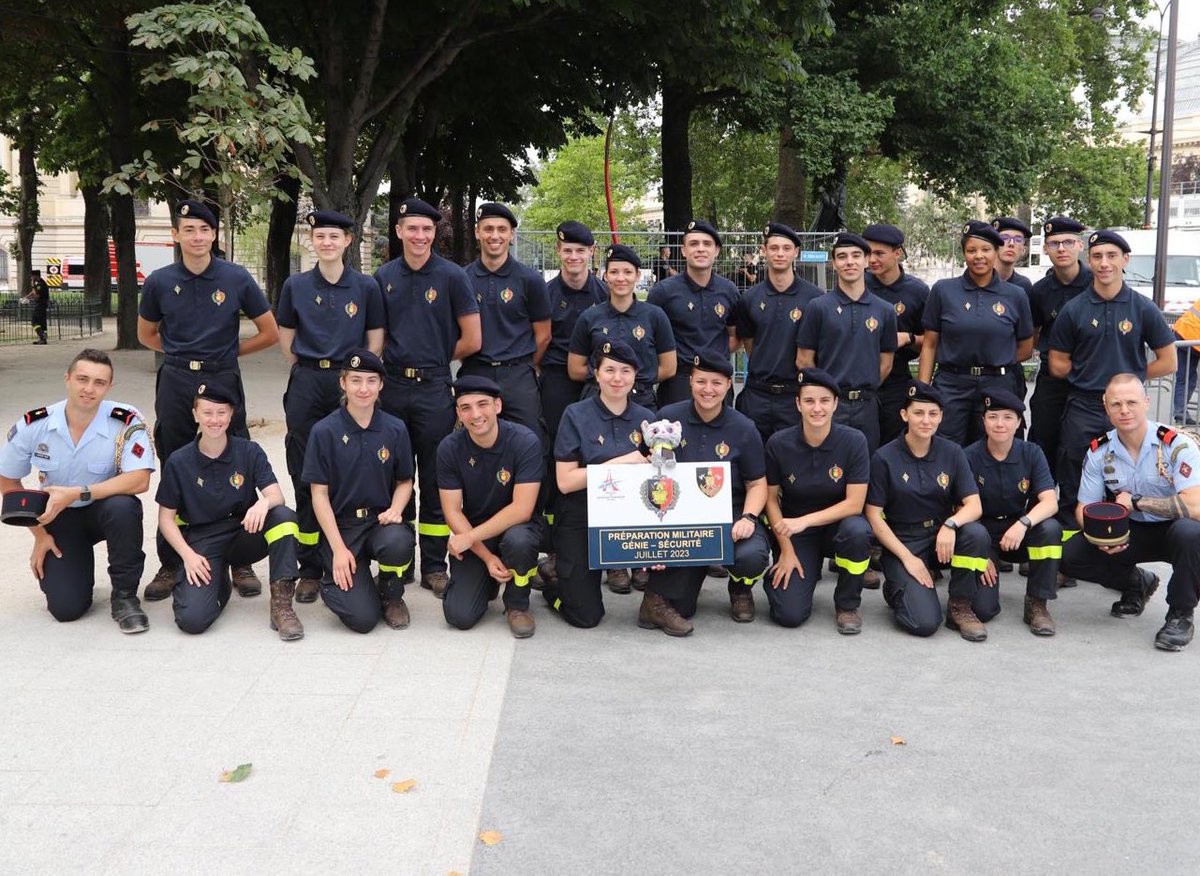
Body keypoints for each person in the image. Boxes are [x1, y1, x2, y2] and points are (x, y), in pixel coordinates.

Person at [138, 199, 279, 601]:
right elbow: (147, 334)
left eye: (204, 229)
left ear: (214, 234)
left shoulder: (235, 278)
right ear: (175, 234)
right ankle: (171, 560)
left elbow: (268, 332)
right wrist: (183, 352)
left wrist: (227, 354)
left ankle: (241, 560)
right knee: (176, 463)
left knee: (236, 458)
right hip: (177, 380)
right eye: (189, 229)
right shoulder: (160, 281)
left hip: (223, 377)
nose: (197, 237)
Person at [0, 349, 154, 632]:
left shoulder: (126, 420)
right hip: (58, 515)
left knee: (124, 507)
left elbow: (139, 479)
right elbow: (7, 479)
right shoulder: (36, 423)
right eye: (82, 379)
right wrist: (38, 533)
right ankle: (75, 575)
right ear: (67, 379)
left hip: (103, 508)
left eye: (99, 382)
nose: (89, 389)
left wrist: (78, 493)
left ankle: (125, 597)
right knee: (66, 609)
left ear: (109, 387)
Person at [276, 209, 385, 605]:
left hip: (348, 381)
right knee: (307, 473)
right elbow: (286, 339)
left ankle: (355, 554)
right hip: (308, 382)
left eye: (334, 236)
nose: (326, 242)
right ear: (311, 241)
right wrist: (311, 368)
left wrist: (356, 381)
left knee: (352, 467)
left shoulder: (366, 287)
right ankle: (309, 567)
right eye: (319, 236)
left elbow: (375, 339)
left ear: (347, 241)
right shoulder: (296, 285)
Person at [374, 196, 481, 598]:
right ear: (399, 231)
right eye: (412, 228)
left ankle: (434, 566)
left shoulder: (453, 276)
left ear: (435, 233)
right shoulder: (383, 276)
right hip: (393, 387)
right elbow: (376, 338)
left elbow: (473, 338)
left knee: (436, 480)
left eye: (427, 229)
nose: (420, 236)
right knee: (394, 478)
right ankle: (397, 561)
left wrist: (434, 358)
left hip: (436, 387)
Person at [1061, 373, 1200, 651]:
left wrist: (1137, 502)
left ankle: (1180, 614)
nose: (1124, 410)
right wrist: (1101, 536)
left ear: (1146, 402)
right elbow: (1083, 509)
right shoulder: (1099, 451)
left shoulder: (1176, 446)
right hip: (1128, 530)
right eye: (1116, 404)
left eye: (1131, 402)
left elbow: (1195, 506)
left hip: (1174, 529)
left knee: (1191, 532)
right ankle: (1136, 583)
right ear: (1106, 406)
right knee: (1070, 555)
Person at [155, 377, 302, 637]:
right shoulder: (179, 461)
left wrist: (263, 503)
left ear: (232, 414)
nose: (215, 419)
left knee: (283, 518)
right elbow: (165, 519)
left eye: (222, 412)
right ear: (195, 414)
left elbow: (277, 496)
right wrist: (188, 556)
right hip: (202, 542)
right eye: (207, 412)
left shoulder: (249, 451)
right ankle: (218, 580)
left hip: (242, 533)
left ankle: (281, 606)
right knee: (192, 620)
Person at [567, 243, 676, 594]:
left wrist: (632, 384)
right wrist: (608, 383)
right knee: (607, 479)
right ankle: (613, 561)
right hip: (597, 404)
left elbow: (669, 366)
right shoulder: (590, 317)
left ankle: (640, 556)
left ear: (638, 276)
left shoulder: (654, 315)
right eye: (614, 271)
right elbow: (574, 366)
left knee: (644, 479)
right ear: (605, 275)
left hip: (641, 405)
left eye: (628, 271)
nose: (621, 277)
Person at [1047, 230, 1176, 521]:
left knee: (1127, 479)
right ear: (1089, 261)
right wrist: (1090, 375)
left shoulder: (1142, 307)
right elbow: (1057, 364)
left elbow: (1168, 361)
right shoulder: (1074, 309)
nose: (1104, 263)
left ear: (1125, 259)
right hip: (1084, 406)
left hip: (1126, 409)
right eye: (1097, 257)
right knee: (1073, 476)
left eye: (1111, 256)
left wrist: (1127, 385)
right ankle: (1072, 552)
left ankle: (1120, 553)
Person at [640, 354, 771, 634]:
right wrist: (652, 537)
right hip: (678, 515)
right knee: (683, 607)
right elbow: (646, 475)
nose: (707, 389)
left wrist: (748, 517)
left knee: (752, 555)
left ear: (727, 385)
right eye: (700, 381)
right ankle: (657, 598)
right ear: (690, 382)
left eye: (716, 383)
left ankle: (740, 589)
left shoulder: (744, 428)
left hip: (729, 513)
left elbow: (757, 484)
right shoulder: (668, 418)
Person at [865, 381, 993, 641]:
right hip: (904, 541)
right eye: (918, 413)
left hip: (941, 538)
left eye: (933, 414)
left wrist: (950, 525)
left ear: (941, 417)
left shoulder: (952, 452)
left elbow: (974, 505)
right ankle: (897, 588)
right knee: (925, 623)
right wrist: (907, 559)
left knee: (986, 604)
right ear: (904, 415)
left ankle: (960, 606)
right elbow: (873, 514)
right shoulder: (884, 457)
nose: (926, 420)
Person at [302, 349, 417, 633]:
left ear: (381, 385)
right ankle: (335, 584)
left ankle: (392, 594)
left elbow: (405, 481)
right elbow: (319, 494)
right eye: (355, 380)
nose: (363, 388)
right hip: (342, 527)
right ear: (343, 383)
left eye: (370, 381)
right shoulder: (324, 431)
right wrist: (339, 549)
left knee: (399, 541)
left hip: (379, 521)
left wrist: (396, 509)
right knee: (363, 620)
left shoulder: (395, 428)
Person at [545, 340, 655, 629]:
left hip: (630, 517)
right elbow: (566, 482)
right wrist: (623, 463)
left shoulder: (648, 420)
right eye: (609, 370)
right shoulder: (576, 414)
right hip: (582, 516)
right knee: (586, 617)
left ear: (635, 376)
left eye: (625, 371)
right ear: (596, 374)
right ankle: (553, 588)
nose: (617, 378)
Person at [763, 368, 872, 633]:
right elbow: (770, 499)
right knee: (789, 615)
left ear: (836, 403)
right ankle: (784, 575)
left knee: (858, 531)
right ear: (798, 404)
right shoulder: (779, 443)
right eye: (809, 401)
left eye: (824, 400)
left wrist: (804, 521)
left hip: (838, 526)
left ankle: (847, 604)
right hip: (796, 534)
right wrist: (786, 549)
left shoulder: (854, 441)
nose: (817, 408)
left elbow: (855, 504)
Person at [438, 376, 543, 638]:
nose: (475, 414)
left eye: (482, 404)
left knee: (519, 542)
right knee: (459, 616)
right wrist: (486, 557)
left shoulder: (524, 441)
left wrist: (469, 537)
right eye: (466, 408)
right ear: (458, 414)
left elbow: (522, 509)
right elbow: (452, 511)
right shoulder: (450, 448)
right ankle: (487, 580)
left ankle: (518, 604)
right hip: (477, 533)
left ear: (497, 405)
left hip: (517, 528)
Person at [537, 221, 608, 593]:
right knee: (557, 460)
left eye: (581, 250)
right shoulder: (545, 294)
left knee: (597, 458)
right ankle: (554, 544)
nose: (574, 257)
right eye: (567, 251)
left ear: (591, 253)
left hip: (598, 387)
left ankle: (604, 540)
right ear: (559, 252)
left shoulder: (604, 294)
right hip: (557, 384)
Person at [918, 220, 1033, 445]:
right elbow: (930, 344)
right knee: (946, 448)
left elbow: (1026, 347)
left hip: (998, 384)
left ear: (996, 252)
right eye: (971, 250)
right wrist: (923, 392)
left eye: (985, 249)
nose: (978, 256)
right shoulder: (943, 290)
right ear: (964, 253)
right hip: (952, 384)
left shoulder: (1016, 295)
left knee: (994, 448)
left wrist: (995, 359)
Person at [963, 389, 1063, 636]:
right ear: (983, 421)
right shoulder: (968, 456)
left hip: (1018, 531)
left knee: (1050, 528)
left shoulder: (1031, 453)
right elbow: (960, 508)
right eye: (993, 416)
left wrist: (1023, 524)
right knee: (983, 610)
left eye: (1008, 417)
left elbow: (1050, 502)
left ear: (1019, 422)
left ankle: (1037, 604)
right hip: (982, 534)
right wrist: (977, 552)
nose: (1000, 424)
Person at [796, 231, 898, 454]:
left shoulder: (884, 310)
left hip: (868, 406)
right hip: (830, 406)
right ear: (834, 263)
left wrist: (863, 387)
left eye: (855, 255)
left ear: (866, 260)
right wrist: (826, 396)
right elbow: (804, 360)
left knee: (865, 466)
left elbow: (886, 363)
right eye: (842, 256)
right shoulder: (818, 307)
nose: (849, 261)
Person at [460, 202, 551, 440]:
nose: (495, 235)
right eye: (488, 229)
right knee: (475, 444)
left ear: (511, 235)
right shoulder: (461, 279)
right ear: (477, 232)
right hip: (475, 371)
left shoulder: (530, 279)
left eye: (502, 229)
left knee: (530, 441)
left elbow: (543, 335)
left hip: (518, 374)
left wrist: (524, 365)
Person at [734, 222, 823, 444]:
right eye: (774, 248)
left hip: (794, 395)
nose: (780, 253)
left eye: (786, 248)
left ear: (796, 252)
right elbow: (750, 345)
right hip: (757, 395)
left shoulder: (815, 299)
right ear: (763, 251)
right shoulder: (749, 298)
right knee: (754, 461)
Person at [647, 219, 738, 408]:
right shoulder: (663, 292)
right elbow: (651, 341)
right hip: (678, 382)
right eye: (694, 244)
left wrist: (712, 356)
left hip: (716, 379)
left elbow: (734, 337)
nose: (700, 249)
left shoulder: (729, 291)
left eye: (707, 244)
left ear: (717, 250)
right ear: (683, 250)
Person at [1027, 216, 1090, 478]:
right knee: (1043, 439)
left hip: (1089, 379)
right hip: (1051, 380)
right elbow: (1032, 333)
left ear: (1080, 246)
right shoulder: (1040, 290)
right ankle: (1043, 502)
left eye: (1068, 242)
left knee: (1084, 447)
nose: (1061, 248)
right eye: (1054, 243)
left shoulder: (1096, 284)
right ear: (1045, 249)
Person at [864, 223, 930, 445]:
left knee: (894, 447)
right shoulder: (858, 284)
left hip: (896, 382)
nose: (872, 259)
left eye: (879, 253)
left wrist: (908, 338)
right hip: (859, 378)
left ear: (897, 253)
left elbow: (932, 342)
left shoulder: (917, 292)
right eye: (868, 252)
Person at [1170, 295, 1200, 425]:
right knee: (1187, 378)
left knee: (1185, 377)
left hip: (1182, 332)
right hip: (1193, 337)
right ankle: (1180, 413)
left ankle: (1180, 413)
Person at [991, 217, 1034, 296]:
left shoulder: (1024, 286)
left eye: (1018, 239)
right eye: (1004, 238)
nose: (1011, 243)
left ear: (1023, 249)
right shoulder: (978, 281)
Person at [25, 269, 49, 344]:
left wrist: (32, 285)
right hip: (42, 304)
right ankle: (43, 339)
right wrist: (26, 297)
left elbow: (36, 296)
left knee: (34, 321)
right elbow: (33, 292)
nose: (31, 278)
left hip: (40, 305)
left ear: (36, 276)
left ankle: (42, 336)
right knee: (42, 322)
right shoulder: (38, 283)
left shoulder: (40, 284)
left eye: (32, 276)